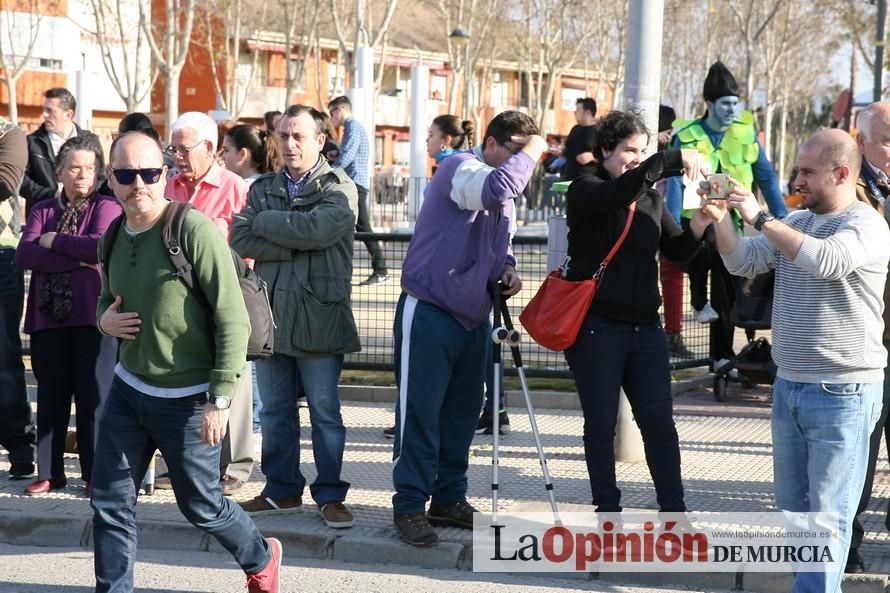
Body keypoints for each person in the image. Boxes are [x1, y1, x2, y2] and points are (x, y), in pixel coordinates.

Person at [91, 130, 282, 593]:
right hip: (128, 390)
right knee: (109, 503)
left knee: (201, 507)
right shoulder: (113, 234)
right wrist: (104, 323)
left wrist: (220, 399)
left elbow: (232, 317)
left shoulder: (190, 228)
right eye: (126, 174)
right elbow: (104, 300)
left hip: (191, 400)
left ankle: (262, 557)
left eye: (150, 173)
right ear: (111, 179)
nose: (139, 184)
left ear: (165, 174)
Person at [701, 129, 889, 593]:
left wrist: (760, 216)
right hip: (789, 384)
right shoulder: (799, 221)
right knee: (795, 509)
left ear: (842, 173)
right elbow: (743, 261)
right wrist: (720, 218)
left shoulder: (866, 225)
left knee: (827, 514)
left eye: (807, 171)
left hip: (843, 389)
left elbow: (826, 262)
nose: (797, 179)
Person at [391, 110, 545, 547]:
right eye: (515, 150)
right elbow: (498, 189)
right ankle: (408, 505)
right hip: (430, 310)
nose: (524, 161)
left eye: (526, 152)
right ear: (492, 144)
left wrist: (509, 267)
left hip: (474, 316)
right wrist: (535, 149)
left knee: (461, 414)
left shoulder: (500, 183)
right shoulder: (461, 167)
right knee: (420, 413)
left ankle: (449, 498)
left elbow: (503, 238)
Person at [564, 110, 711, 515]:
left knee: (660, 425)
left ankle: (674, 513)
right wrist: (667, 159)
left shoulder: (651, 198)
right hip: (597, 328)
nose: (636, 157)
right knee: (600, 426)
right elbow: (620, 191)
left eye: (643, 150)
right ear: (605, 149)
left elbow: (679, 251)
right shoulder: (586, 189)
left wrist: (700, 222)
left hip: (646, 329)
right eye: (630, 149)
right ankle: (607, 512)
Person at [230, 105, 360, 529]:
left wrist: (268, 224)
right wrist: (293, 238)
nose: (289, 144)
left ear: (320, 141)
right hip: (270, 316)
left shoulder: (340, 186)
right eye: (283, 136)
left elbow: (322, 230)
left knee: (325, 411)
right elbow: (239, 236)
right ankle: (281, 490)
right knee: (274, 411)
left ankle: (331, 495)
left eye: (298, 136)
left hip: (319, 316)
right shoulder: (263, 186)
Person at [15, 136, 120, 496]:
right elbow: (25, 255)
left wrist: (54, 241)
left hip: (94, 318)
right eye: (74, 167)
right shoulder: (42, 209)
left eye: (89, 168)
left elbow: (99, 246)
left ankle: (95, 473)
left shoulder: (107, 207)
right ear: (59, 171)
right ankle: (50, 471)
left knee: (95, 397)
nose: (82, 175)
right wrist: (79, 257)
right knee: (52, 396)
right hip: (49, 317)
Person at [665, 62, 788, 368]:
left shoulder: (746, 135)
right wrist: (666, 223)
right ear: (710, 105)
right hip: (692, 220)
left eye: (735, 103)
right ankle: (697, 301)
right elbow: (672, 185)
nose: (732, 109)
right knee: (702, 247)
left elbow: (767, 178)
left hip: (730, 223)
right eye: (726, 104)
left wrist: (783, 217)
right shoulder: (687, 135)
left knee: (726, 287)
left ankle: (722, 355)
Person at [164, 111, 254, 496]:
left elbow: (248, 246)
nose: (178, 156)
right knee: (187, 381)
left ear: (211, 149)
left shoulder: (235, 187)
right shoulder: (168, 187)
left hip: (225, 295)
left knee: (233, 379)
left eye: (184, 149)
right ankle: (187, 462)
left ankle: (236, 466)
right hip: (178, 300)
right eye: (173, 148)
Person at [846, 101, 890, 574]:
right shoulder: (848, 190)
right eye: (887, 139)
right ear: (861, 143)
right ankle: (848, 548)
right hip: (865, 341)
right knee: (859, 451)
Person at [0, 116, 35, 480]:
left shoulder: (8, 132)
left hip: (1, 256)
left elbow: (6, 182)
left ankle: (20, 448)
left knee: (4, 360)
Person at [328, 95, 389, 285]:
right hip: (354, 183)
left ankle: (381, 269)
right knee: (357, 227)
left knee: (363, 227)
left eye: (332, 112)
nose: (331, 118)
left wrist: (329, 171)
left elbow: (348, 155)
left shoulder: (352, 127)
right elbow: (347, 154)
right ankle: (379, 269)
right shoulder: (352, 127)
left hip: (354, 184)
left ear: (341, 110)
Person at [20, 88, 104, 213]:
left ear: (68, 114)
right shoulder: (31, 143)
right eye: (44, 110)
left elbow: (101, 177)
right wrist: (52, 195)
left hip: (85, 213)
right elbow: (21, 181)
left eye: (50, 110)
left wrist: (84, 197)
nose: (44, 114)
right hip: (44, 214)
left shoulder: (91, 141)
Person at [656, 105, 695, 359]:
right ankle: (665, 333)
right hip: (650, 220)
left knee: (673, 277)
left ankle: (673, 333)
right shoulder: (649, 152)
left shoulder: (677, 152)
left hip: (670, 220)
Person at [561, 97, 598, 181]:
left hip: (589, 181)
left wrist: (592, 157)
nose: (575, 113)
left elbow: (609, 156)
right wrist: (562, 152)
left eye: (578, 110)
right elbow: (568, 150)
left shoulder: (599, 131)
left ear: (588, 113)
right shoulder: (575, 129)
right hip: (569, 179)